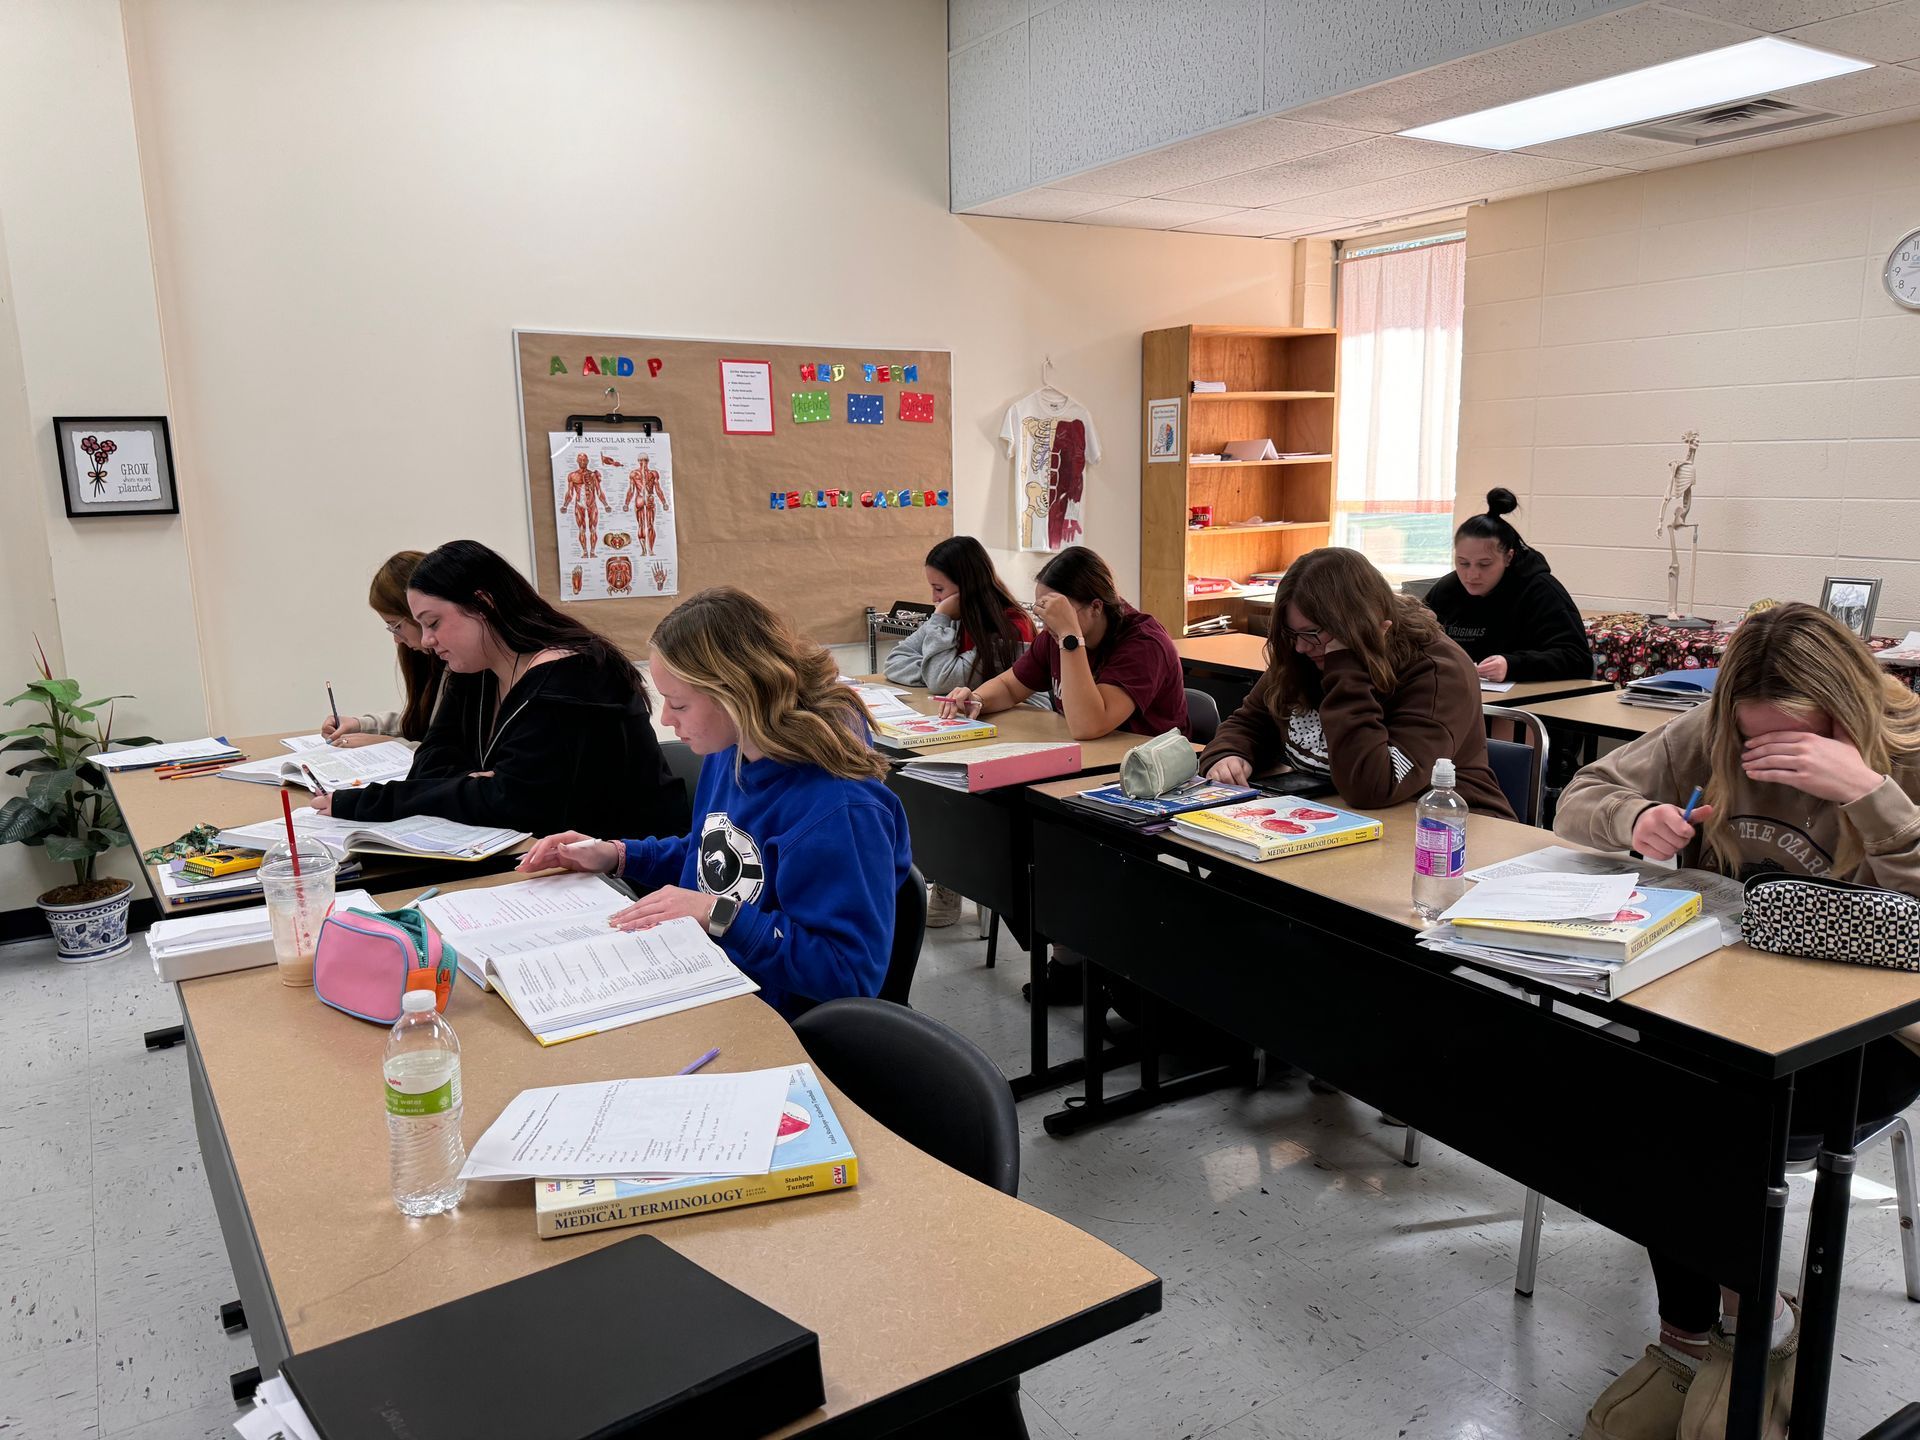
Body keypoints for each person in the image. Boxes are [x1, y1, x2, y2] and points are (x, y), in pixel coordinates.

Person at [1555, 602, 1920, 1440]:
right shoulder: (1713, 731)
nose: (1776, 762)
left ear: (1850, 709)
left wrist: (1874, 796)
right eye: (1758, 740)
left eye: (1799, 740)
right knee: (1633, 1090)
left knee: (1706, 1122)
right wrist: (1632, 820)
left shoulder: (1907, 747)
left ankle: (1761, 1335)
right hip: (1734, 994)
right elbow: (1583, 794)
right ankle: (1697, 1336)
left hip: (1875, 1027)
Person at [517, 586, 913, 1017]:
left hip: (779, 1024)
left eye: (678, 703)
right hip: (709, 980)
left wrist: (717, 914)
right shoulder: (732, 750)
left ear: (736, 695)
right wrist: (616, 854)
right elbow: (714, 861)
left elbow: (848, 974)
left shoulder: (840, 809)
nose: (666, 719)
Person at [315, 539, 687, 841]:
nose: (427, 641)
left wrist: (374, 801)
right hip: (542, 858)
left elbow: (516, 805)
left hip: (629, 867)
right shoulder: (474, 670)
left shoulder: (573, 676)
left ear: (483, 604)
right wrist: (475, 785)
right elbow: (429, 764)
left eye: (433, 623)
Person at [1200, 547, 1513, 818]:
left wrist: (1347, 669)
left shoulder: (1437, 671)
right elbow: (1251, 722)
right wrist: (1229, 755)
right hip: (1339, 816)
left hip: (1445, 833)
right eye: (1292, 634)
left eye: (1312, 634)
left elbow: (1373, 786)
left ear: (1355, 624)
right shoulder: (1307, 651)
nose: (1300, 647)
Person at [885, 535, 1040, 927]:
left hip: (1019, 735)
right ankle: (946, 871)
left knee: (959, 796)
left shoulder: (1011, 624)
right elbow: (895, 662)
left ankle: (955, 878)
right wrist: (939, 643)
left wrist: (940, 624)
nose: (935, 599)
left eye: (940, 590)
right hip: (970, 728)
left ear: (965, 585)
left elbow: (939, 680)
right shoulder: (952, 616)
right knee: (924, 781)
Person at [938, 545, 1188, 742]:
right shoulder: (1055, 636)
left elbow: (1089, 725)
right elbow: (1010, 686)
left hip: (1147, 773)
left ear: (1096, 607)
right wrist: (978, 699)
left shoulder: (1144, 644)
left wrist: (1070, 634)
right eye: (1046, 612)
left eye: (1061, 612)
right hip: (1089, 760)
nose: (1049, 625)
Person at [1423, 487, 1591, 684]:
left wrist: (1512, 665)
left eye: (1484, 564)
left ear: (1508, 557)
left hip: (1524, 700)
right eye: (1463, 563)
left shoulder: (1540, 590)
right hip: (1459, 691)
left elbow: (1578, 659)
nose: (1472, 574)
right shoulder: (1448, 588)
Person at [320, 550, 448, 749]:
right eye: (390, 628)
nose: (397, 639)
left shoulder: (463, 666)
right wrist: (359, 725)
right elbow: (421, 723)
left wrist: (391, 745)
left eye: (396, 626)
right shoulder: (431, 661)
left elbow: (452, 754)